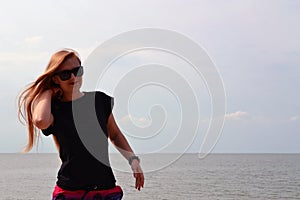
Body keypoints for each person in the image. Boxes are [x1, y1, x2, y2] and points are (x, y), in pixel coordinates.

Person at [18, 49, 144, 200]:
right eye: (65, 74)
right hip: (69, 192)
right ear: (55, 79)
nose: (73, 77)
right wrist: (47, 91)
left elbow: (115, 135)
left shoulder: (99, 100)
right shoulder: (56, 109)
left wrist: (133, 160)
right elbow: (40, 120)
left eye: (77, 71)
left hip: (104, 190)